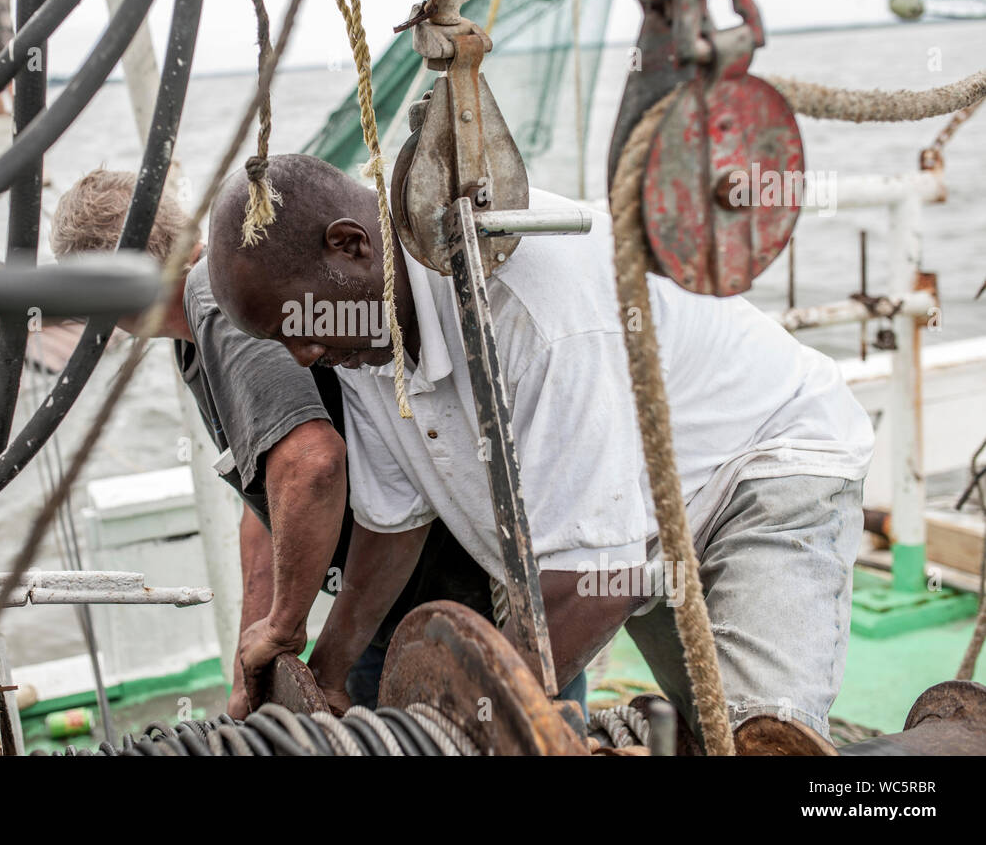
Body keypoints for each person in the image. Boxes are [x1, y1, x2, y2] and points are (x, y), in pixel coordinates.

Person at [205, 152, 876, 747]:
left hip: (763, 470)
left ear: (351, 245)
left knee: (762, 740)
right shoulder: (369, 339)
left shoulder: (534, 312)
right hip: (639, 540)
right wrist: (327, 674)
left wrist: (458, 727)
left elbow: (594, 584)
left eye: (300, 321)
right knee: (704, 734)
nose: (304, 354)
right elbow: (395, 520)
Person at [48, 169, 528, 717]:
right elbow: (267, 506)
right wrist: (246, 665)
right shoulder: (195, 332)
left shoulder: (218, 304)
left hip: (446, 589)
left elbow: (310, 463)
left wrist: (282, 627)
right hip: (386, 595)